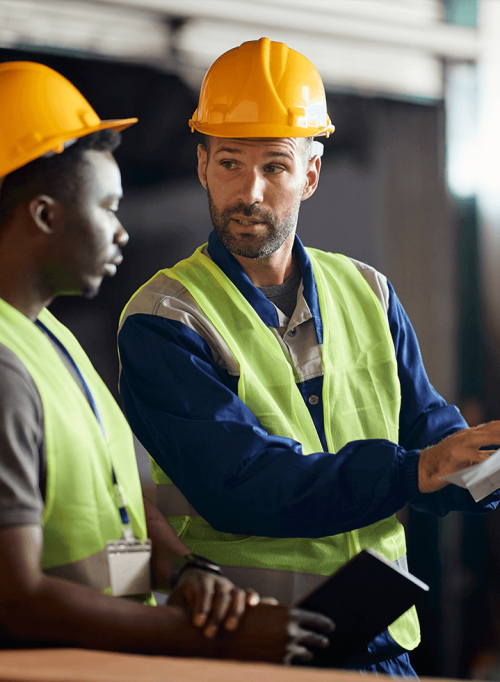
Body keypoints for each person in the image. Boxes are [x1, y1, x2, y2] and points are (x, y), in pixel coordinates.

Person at [118, 37, 500, 675]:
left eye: (275, 166)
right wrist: (414, 471)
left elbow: (431, 439)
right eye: (231, 163)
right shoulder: (165, 318)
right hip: (251, 649)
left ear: (311, 174)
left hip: (381, 648)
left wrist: (487, 468)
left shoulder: (369, 291)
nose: (252, 192)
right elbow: (242, 484)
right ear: (202, 165)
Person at [0, 59, 333, 664]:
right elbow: (13, 597)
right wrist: (209, 641)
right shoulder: (3, 367)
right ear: (46, 215)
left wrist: (183, 572)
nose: (123, 232)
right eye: (107, 207)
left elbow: (117, 499)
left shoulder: (49, 337)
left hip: (103, 663)